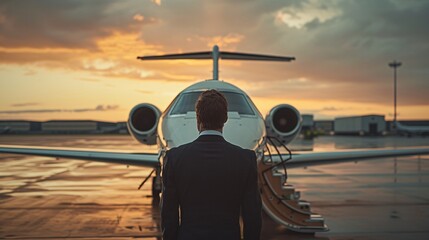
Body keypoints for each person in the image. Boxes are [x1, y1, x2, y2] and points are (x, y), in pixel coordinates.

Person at [161, 89, 262, 240]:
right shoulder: (245, 159)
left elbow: (168, 215)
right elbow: (253, 217)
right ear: (225, 118)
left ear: (198, 118)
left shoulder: (175, 158)